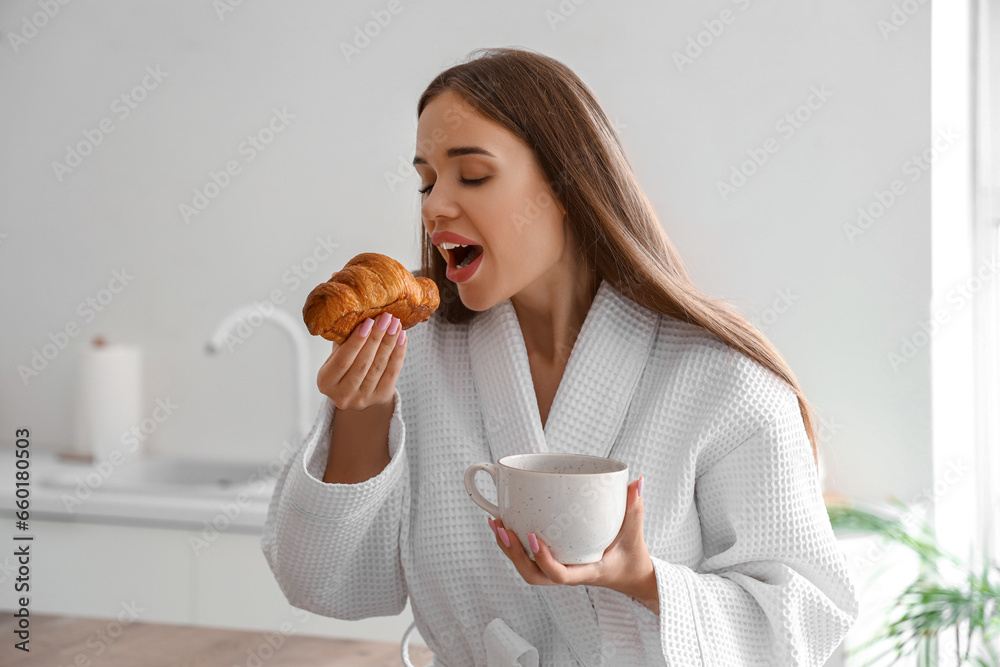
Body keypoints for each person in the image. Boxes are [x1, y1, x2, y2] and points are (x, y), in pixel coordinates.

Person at [261, 46, 860, 666]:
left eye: (473, 175)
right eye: (426, 180)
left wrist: (641, 579)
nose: (434, 205)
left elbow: (808, 627)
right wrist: (363, 413)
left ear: (565, 187)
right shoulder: (420, 356)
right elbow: (327, 584)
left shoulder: (725, 384)